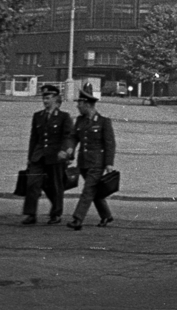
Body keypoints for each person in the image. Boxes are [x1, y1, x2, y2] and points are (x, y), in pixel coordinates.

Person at [22, 83, 74, 225]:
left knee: (56, 186)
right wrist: (29, 157)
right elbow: (34, 138)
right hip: (38, 156)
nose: (45, 101)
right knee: (32, 183)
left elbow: (68, 136)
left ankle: (56, 214)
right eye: (44, 98)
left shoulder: (64, 117)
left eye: (48, 98)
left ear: (55, 99)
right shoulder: (38, 116)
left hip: (56, 156)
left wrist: (66, 153)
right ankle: (31, 214)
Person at [66, 87, 115, 230]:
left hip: (97, 163)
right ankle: (106, 215)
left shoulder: (103, 122)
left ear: (87, 104)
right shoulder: (80, 121)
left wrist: (109, 163)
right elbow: (73, 138)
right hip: (83, 162)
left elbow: (110, 144)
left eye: (79, 104)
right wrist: (70, 151)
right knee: (93, 191)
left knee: (88, 190)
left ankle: (77, 219)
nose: (77, 106)